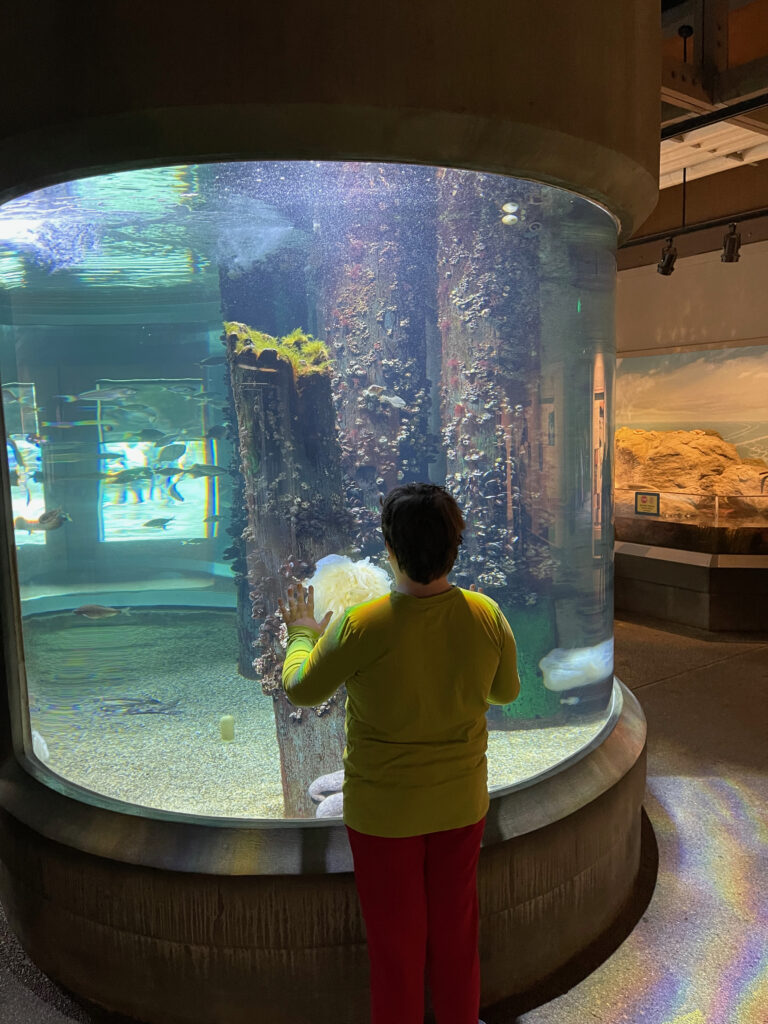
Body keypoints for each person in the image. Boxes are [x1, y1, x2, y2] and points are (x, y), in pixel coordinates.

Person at [278, 482, 520, 1024]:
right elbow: (507, 693)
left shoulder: (360, 626)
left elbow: (301, 689)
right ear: (457, 545)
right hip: (460, 806)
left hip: (384, 816)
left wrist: (299, 634)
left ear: (390, 549)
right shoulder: (485, 614)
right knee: (458, 934)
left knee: (396, 946)